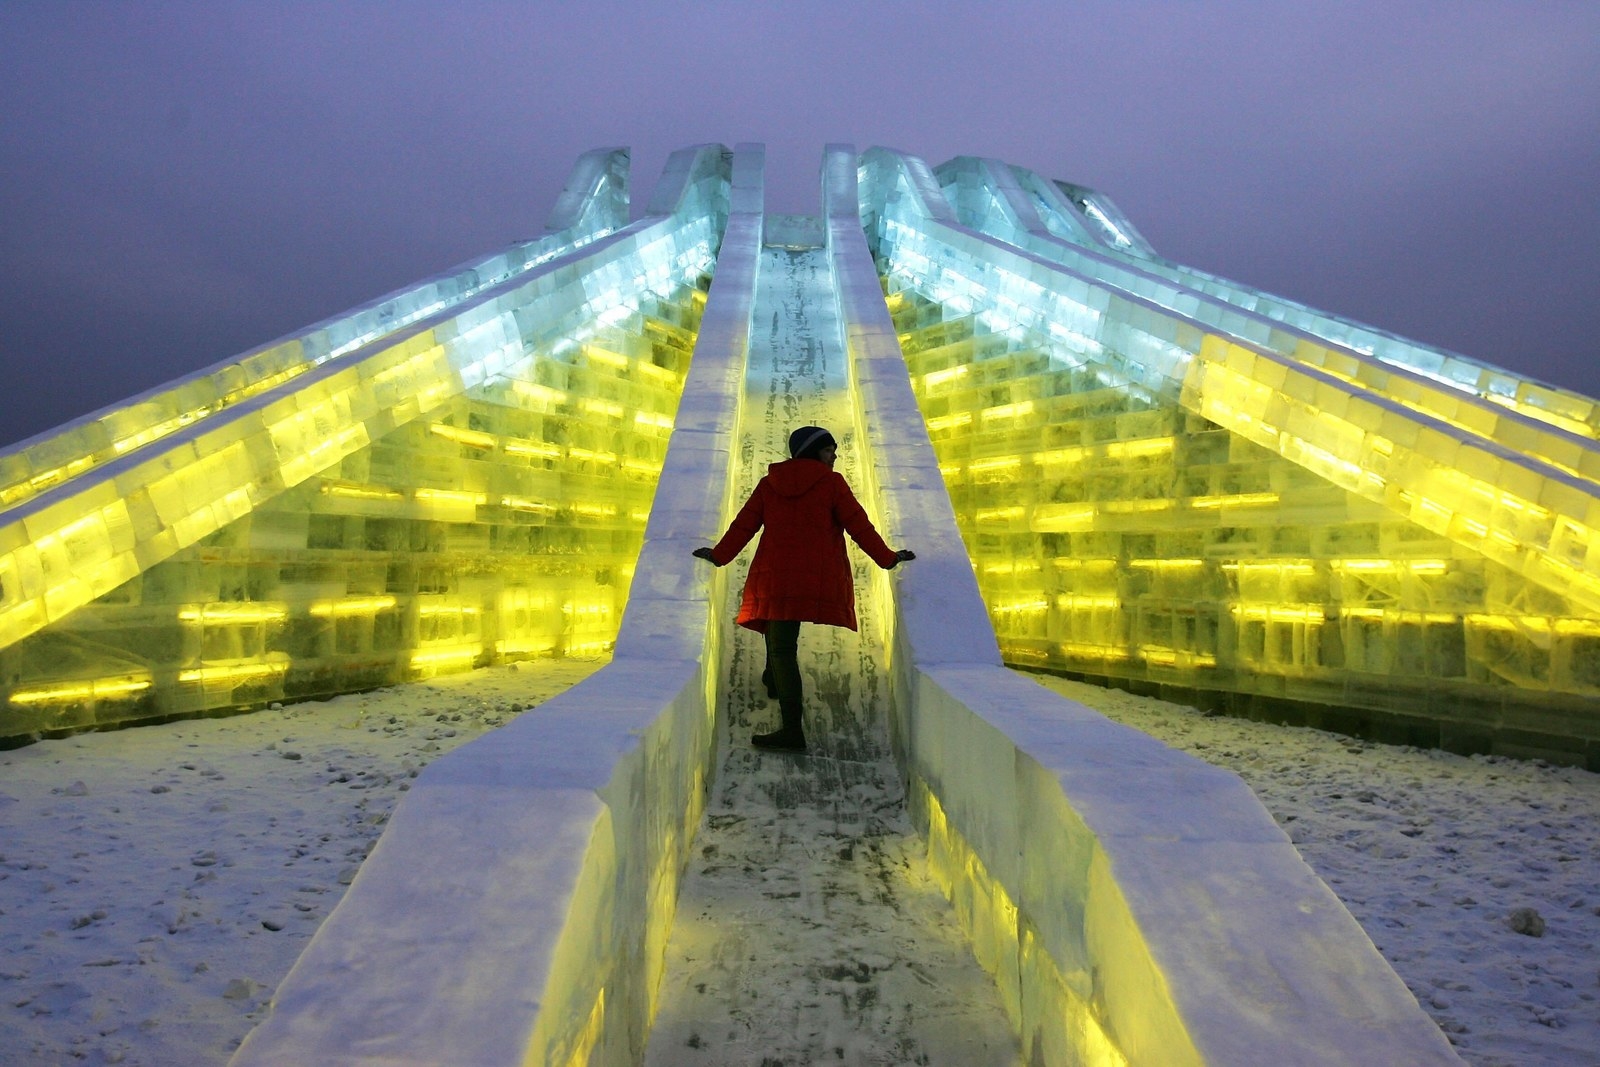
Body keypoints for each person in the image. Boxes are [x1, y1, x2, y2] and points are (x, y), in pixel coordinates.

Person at [692, 426, 914, 752]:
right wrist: (888, 559)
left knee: (780, 643)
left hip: (774, 576)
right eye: (828, 450)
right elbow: (859, 525)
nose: (834, 456)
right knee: (782, 647)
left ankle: (785, 709)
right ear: (812, 452)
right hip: (815, 577)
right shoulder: (831, 484)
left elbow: (745, 524)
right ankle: (789, 722)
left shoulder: (769, 484)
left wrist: (719, 555)